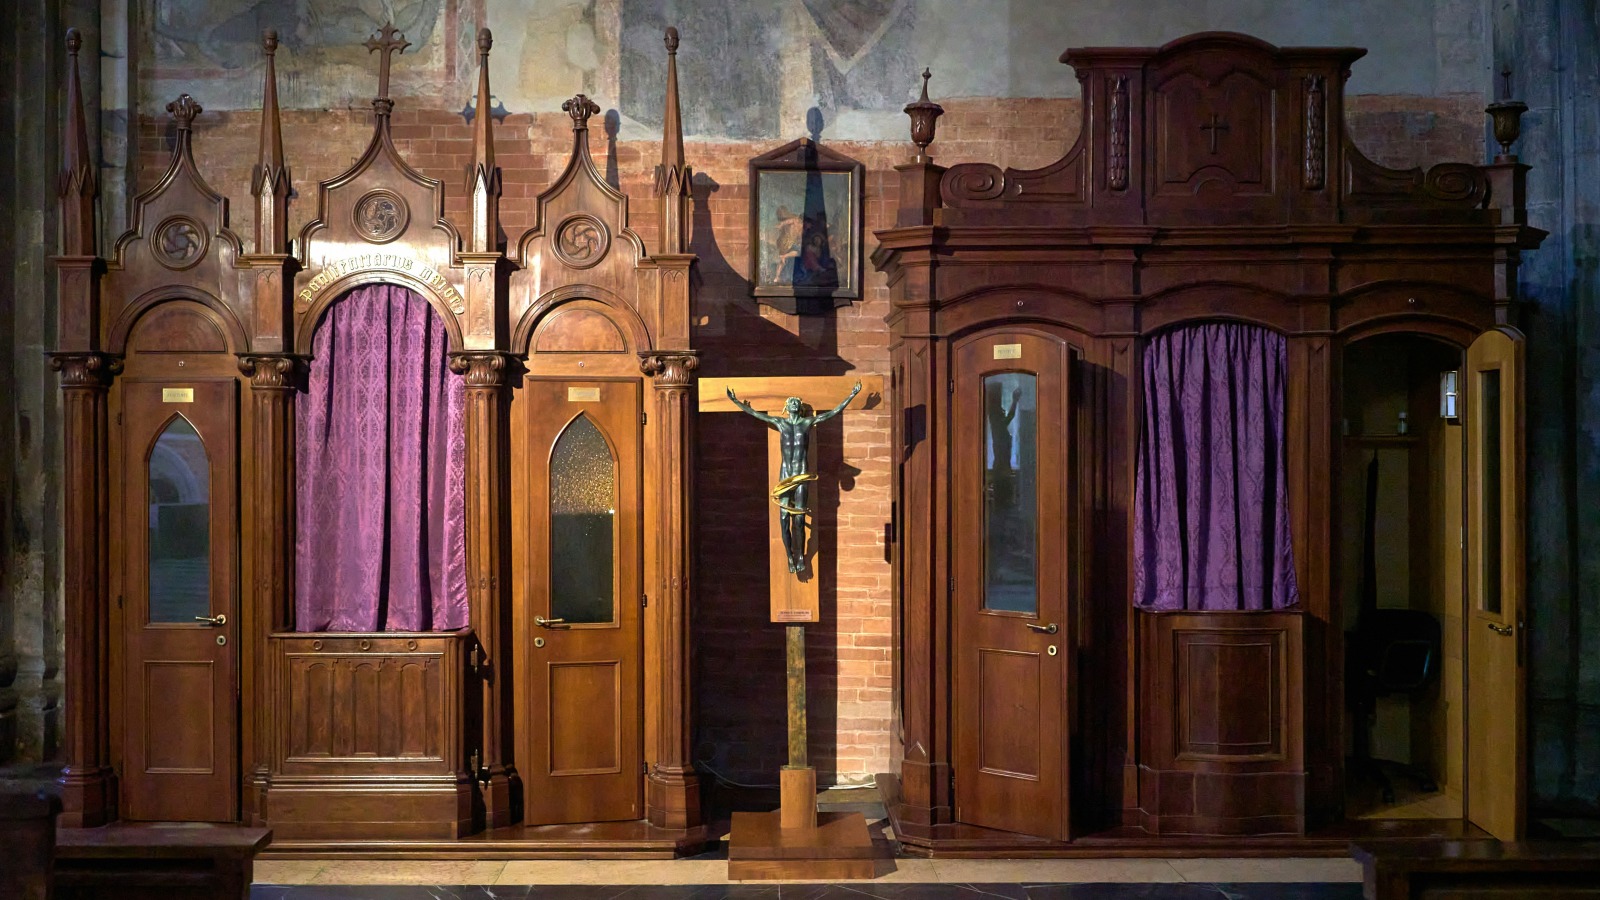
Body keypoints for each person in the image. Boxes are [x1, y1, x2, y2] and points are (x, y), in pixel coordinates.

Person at [727, 381, 862, 573]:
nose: (793, 403)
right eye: (790, 402)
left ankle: (800, 555)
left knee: (799, 519)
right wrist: (736, 402)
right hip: (785, 476)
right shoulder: (780, 423)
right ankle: (789, 555)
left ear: (799, 408)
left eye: (796, 402)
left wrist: (851, 395)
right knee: (784, 518)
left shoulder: (807, 423)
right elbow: (756, 414)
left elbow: (832, 413)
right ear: (786, 408)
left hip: (801, 475)